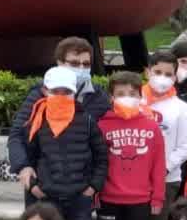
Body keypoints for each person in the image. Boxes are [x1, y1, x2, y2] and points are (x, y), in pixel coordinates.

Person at [8, 39, 110, 205]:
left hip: (81, 192)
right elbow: (17, 135)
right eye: (74, 63)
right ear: (59, 63)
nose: (81, 68)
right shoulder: (40, 95)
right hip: (42, 190)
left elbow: (103, 144)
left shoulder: (99, 98)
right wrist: (23, 167)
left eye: (86, 64)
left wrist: (94, 186)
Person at [93, 72, 167, 220]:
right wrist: (96, 194)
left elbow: (158, 165)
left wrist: (157, 198)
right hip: (109, 200)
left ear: (141, 96)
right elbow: (96, 163)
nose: (127, 97)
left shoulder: (151, 127)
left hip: (141, 201)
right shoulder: (101, 126)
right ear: (111, 97)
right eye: (121, 93)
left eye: (133, 93)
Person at [141, 50, 187, 220]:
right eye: (157, 72)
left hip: (167, 179)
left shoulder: (181, 107)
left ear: (175, 77)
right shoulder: (135, 101)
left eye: (168, 74)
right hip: (133, 179)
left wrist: (163, 168)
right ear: (147, 72)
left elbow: (185, 145)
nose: (162, 78)